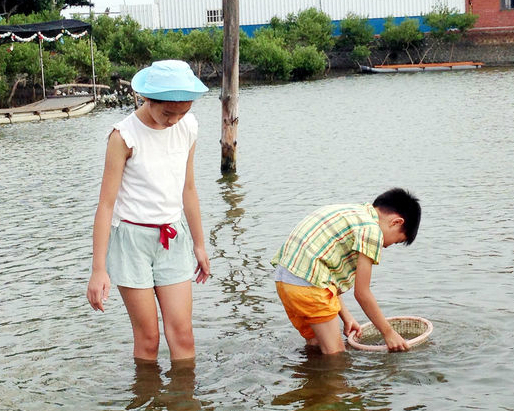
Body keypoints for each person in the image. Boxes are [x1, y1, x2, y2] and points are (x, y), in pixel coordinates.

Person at [87, 60, 210, 361]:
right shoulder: (123, 136)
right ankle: (147, 401)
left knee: (182, 333)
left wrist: (199, 244)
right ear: (146, 99)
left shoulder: (188, 127)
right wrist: (98, 269)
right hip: (132, 242)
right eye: (168, 113)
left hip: (172, 237)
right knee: (148, 338)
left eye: (184, 112)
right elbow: (106, 205)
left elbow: (188, 189)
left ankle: (184, 403)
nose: (175, 120)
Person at [271, 188, 421, 354]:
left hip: (285, 281)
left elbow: (325, 274)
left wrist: (347, 317)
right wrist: (389, 333)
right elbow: (362, 293)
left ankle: (312, 377)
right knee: (336, 355)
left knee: (316, 344)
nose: (386, 246)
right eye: (395, 241)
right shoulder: (372, 230)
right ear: (396, 222)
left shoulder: (352, 213)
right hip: (308, 287)